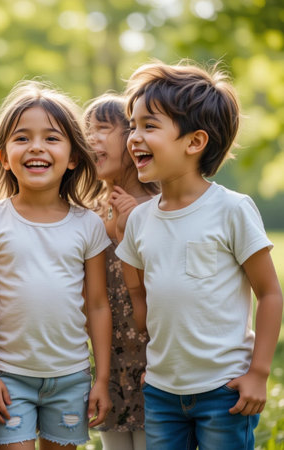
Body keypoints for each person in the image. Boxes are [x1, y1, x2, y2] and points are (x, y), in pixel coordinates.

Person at [115, 60, 283, 450]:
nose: (134, 137)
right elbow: (140, 294)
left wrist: (258, 372)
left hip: (224, 389)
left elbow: (270, 293)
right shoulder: (139, 220)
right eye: (133, 125)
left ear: (194, 142)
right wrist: (157, 358)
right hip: (161, 391)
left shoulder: (232, 209)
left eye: (149, 126)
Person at [0, 80, 112, 450]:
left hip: (71, 378)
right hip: (8, 376)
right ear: (2, 155)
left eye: (51, 138)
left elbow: (97, 304)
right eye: (22, 138)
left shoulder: (88, 225)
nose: (36, 147)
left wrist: (101, 379)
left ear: (73, 157)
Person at [84, 94, 159, 450]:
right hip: (110, 366)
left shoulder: (161, 206)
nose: (91, 139)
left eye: (101, 128)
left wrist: (136, 220)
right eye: (86, 131)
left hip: (155, 363)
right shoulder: (89, 215)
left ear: (132, 138)